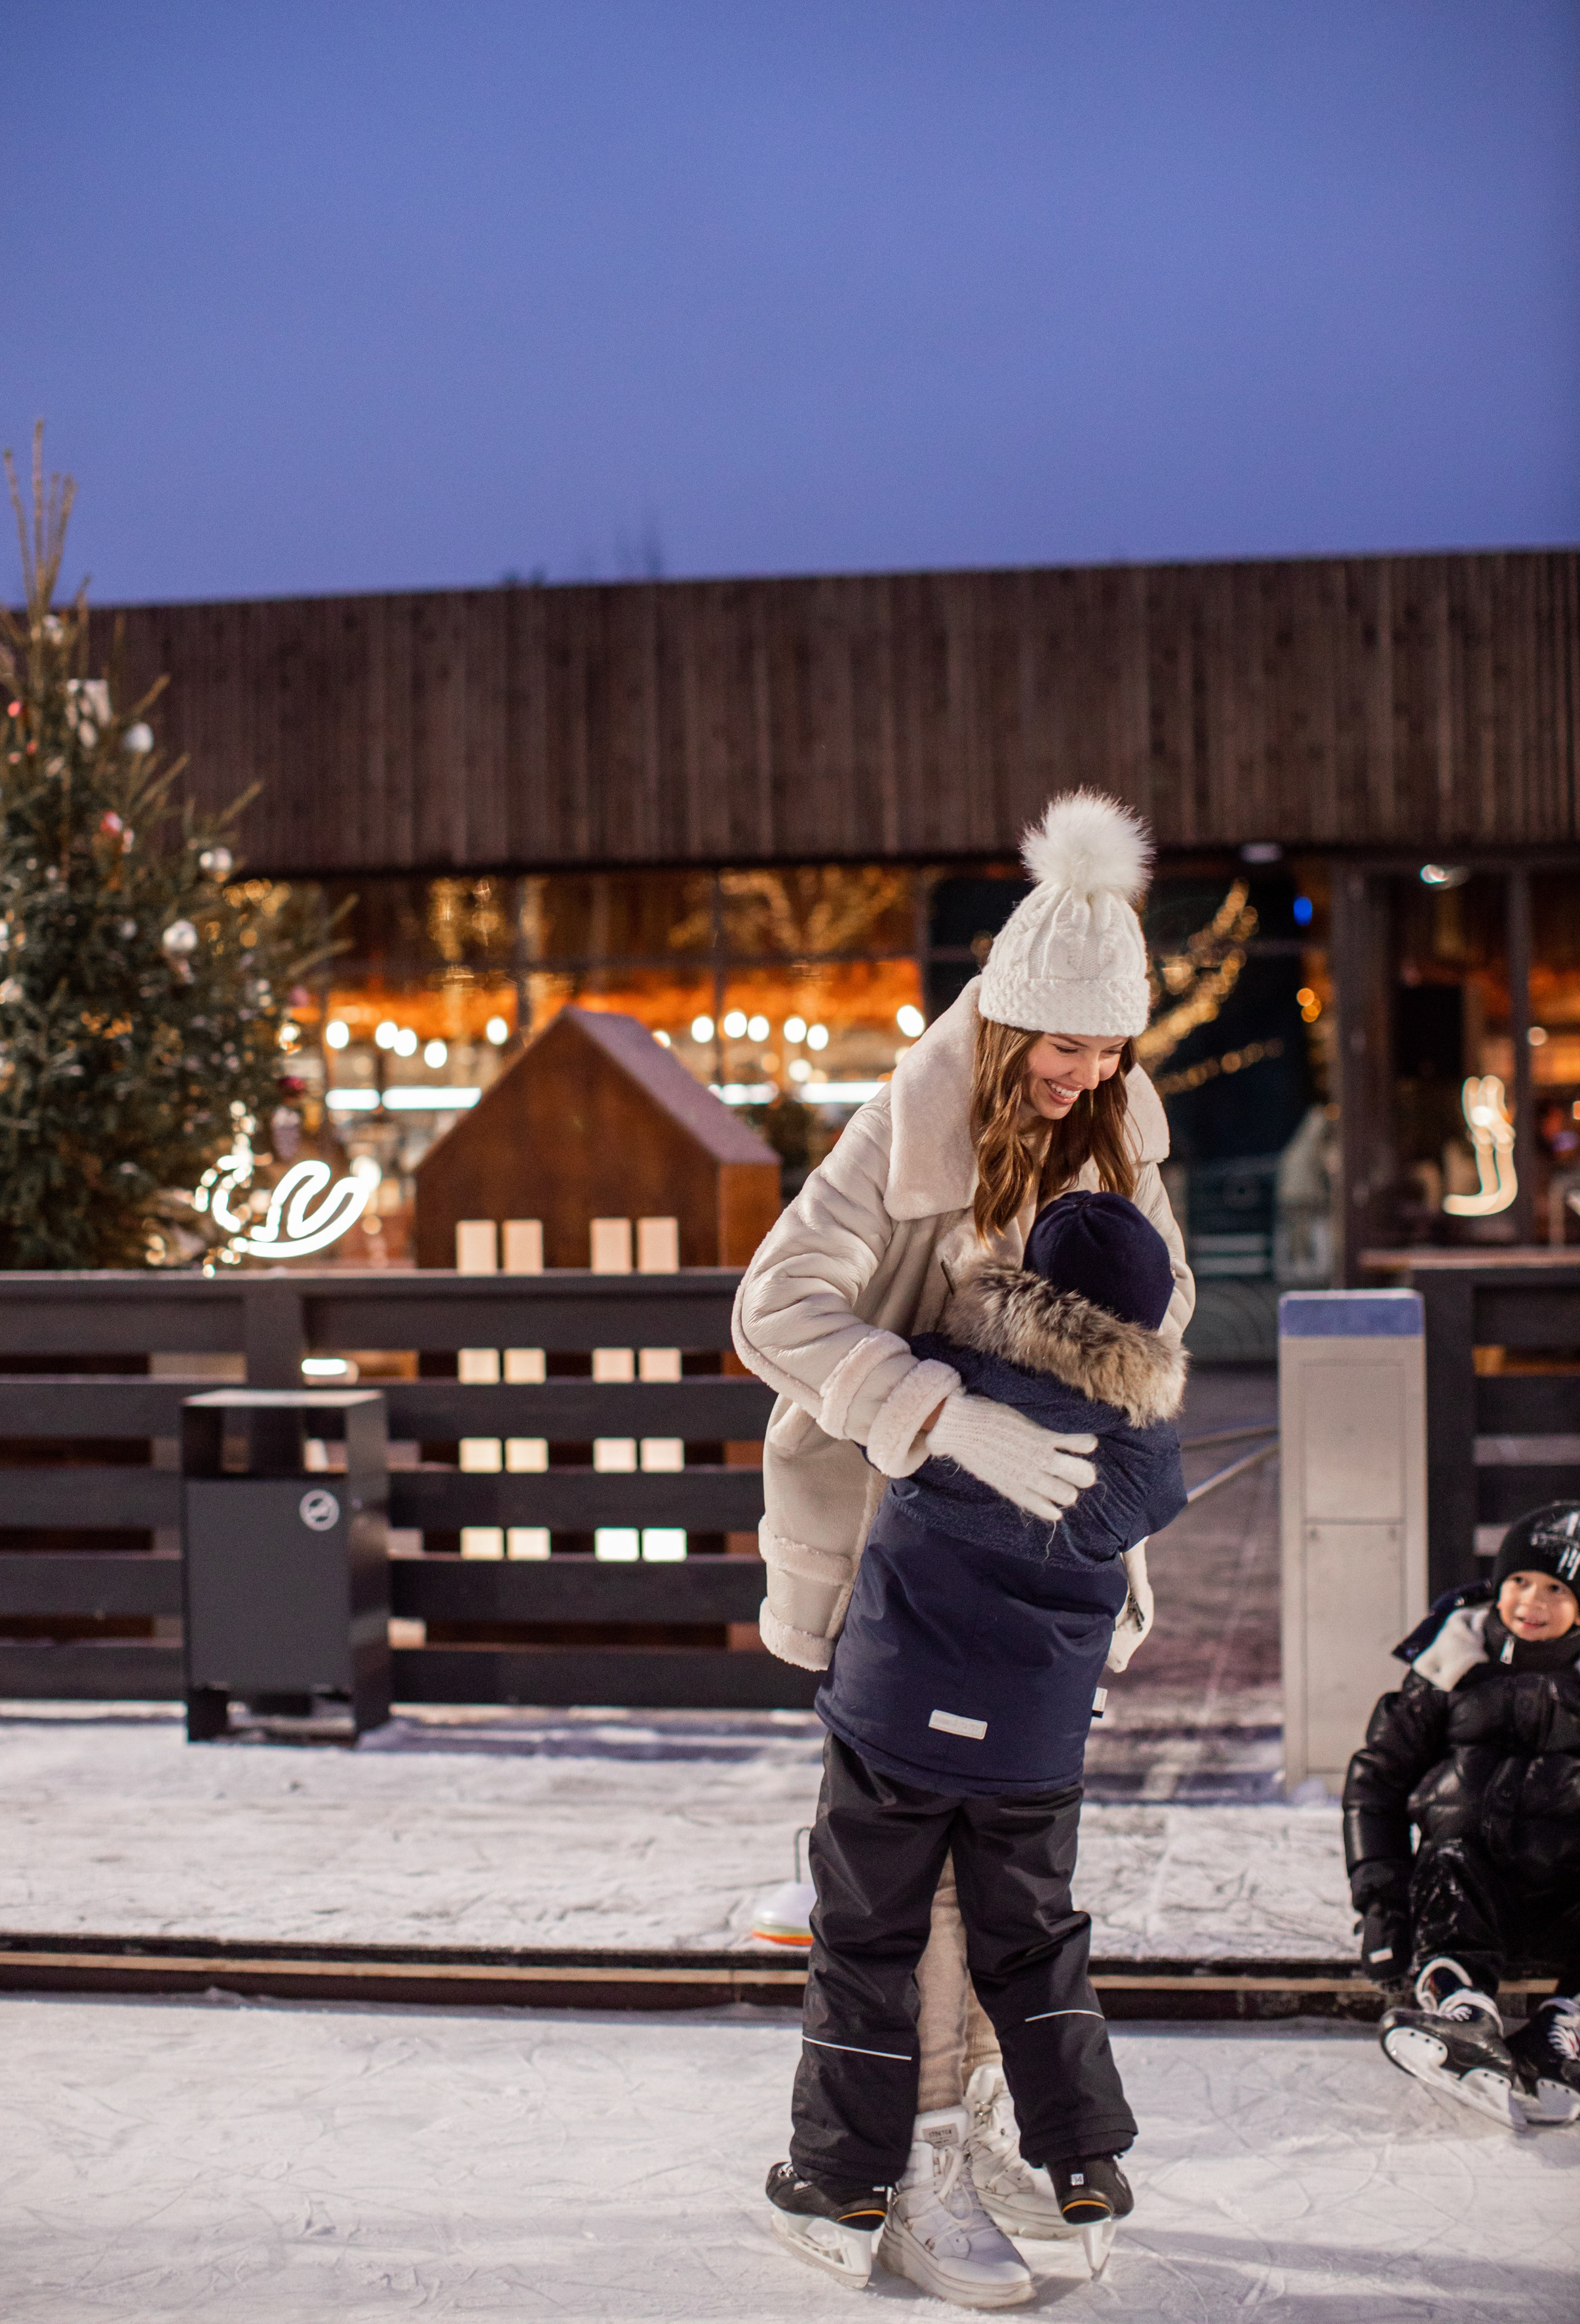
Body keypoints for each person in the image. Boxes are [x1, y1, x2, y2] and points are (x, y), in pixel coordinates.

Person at [732, 789, 1195, 2302]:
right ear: (1001, 1020)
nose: (1085, 1072)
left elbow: (1157, 1332)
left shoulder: (1118, 1131)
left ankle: (972, 2124)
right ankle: (905, 2160)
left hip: (1049, 1583)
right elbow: (772, 1308)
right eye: (1061, 1043)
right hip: (909, 1574)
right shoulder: (904, 1126)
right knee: (918, 1894)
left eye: (1108, 1046)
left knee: (1008, 1885)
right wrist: (937, 1409)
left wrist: (1092, 1394)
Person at [763, 1191, 1188, 2301]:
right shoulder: (1142, 1452)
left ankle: (841, 2181)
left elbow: (872, 1412)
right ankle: (1082, 2159)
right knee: (1035, 1942)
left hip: (895, 1721)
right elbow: (1153, 1501)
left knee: (868, 1944)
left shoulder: (947, 1381)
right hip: (1030, 1747)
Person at [1343, 1499, 1580, 2129]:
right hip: (1471, 1892)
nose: (1531, 1601)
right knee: (1449, 1860)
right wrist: (1381, 1906)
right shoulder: (1450, 1666)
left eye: (1557, 1589)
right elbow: (1376, 1783)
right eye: (1519, 1580)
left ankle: (1564, 2030)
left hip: (1569, 1898)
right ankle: (1462, 2012)